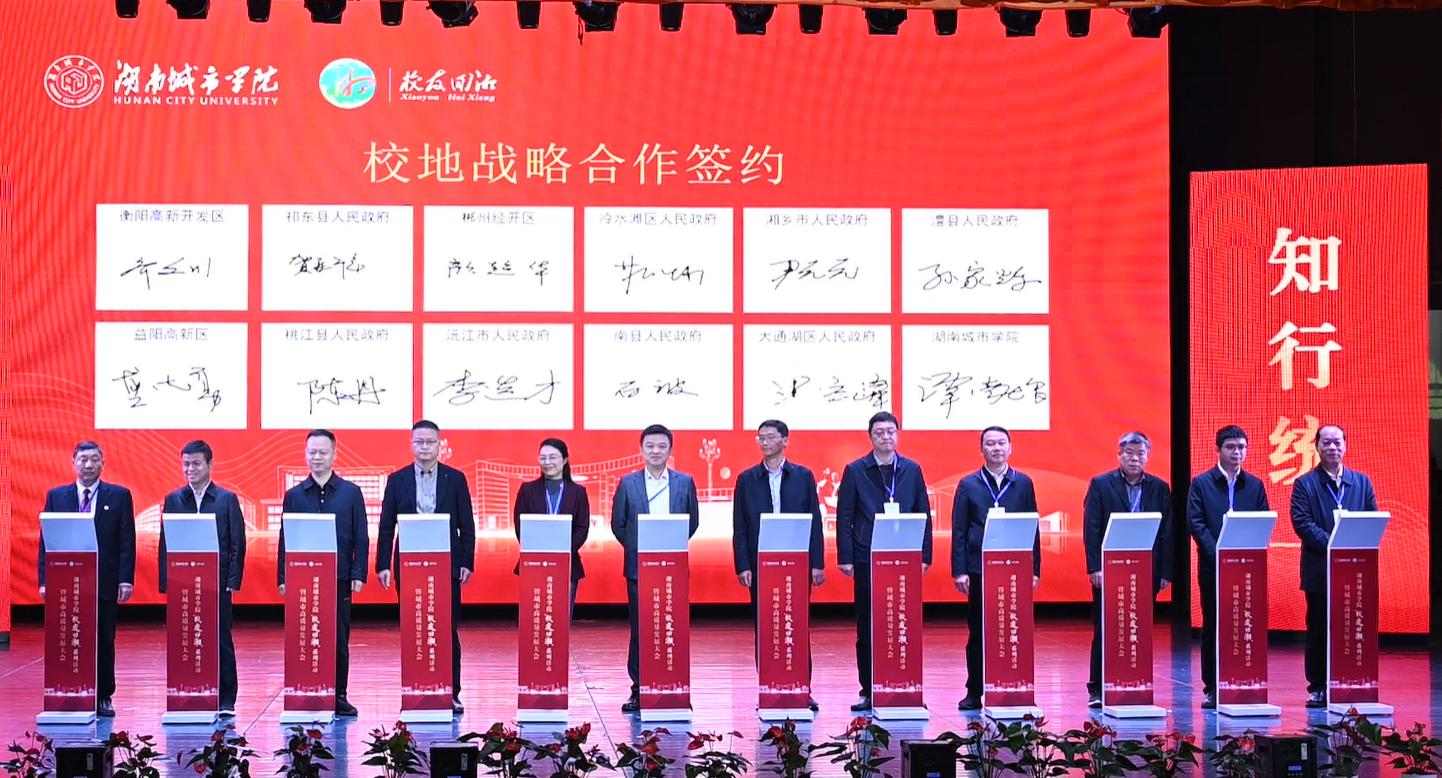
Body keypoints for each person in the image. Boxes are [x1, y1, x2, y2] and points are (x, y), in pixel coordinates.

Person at [376, 420, 476, 715]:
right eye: (419, 442)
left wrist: (466, 561)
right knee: (414, 628)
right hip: (409, 565)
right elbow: (386, 525)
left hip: (447, 564)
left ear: (439, 445)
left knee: (447, 629)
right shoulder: (397, 480)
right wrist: (383, 564)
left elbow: (466, 524)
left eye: (430, 442)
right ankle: (415, 689)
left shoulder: (455, 479)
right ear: (411, 444)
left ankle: (451, 692)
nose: (424, 447)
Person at [836, 411, 933, 712]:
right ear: (870, 437)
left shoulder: (912, 469)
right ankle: (868, 689)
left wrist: (925, 554)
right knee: (868, 625)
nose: (886, 437)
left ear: (898, 435)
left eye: (891, 431)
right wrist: (846, 557)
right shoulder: (855, 470)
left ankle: (905, 686)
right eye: (879, 432)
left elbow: (923, 512)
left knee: (904, 623)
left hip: (905, 557)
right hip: (867, 556)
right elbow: (845, 516)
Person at [731, 419, 825, 712]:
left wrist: (817, 563)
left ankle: (802, 689)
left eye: (770, 437)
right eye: (760, 438)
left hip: (797, 563)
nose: (765, 442)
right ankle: (769, 687)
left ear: (785, 440)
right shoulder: (747, 479)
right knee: (766, 627)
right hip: (761, 564)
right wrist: (742, 564)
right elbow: (740, 526)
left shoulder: (803, 476)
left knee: (798, 626)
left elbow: (814, 521)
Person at [38, 441, 136, 718]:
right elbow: (46, 541)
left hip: (104, 581)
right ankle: (67, 690)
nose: (89, 465)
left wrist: (125, 579)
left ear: (103, 463)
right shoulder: (57, 496)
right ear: (73, 463)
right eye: (83, 460)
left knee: (104, 639)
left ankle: (103, 695)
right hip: (66, 583)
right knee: (67, 637)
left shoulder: (119, 496)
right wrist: (45, 580)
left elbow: (126, 540)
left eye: (94, 459)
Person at [278, 429, 369, 717]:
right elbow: (285, 538)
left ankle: (338, 694)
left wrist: (358, 572)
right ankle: (305, 690)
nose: (317, 457)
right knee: (304, 636)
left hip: (339, 578)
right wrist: (283, 576)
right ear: (305, 454)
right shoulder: (294, 495)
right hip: (302, 580)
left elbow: (361, 536)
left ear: (334, 455)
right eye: (312, 452)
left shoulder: (351, 493)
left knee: (339, 639)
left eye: (323, 452)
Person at [610, 424, 700, 714]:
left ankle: (672, 685)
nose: (656, 451)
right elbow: (618, 524)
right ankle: (639, 689)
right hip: (639, 569)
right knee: (640, 629)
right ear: (641, 449)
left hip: (673, 568)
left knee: (672, 627)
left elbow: (692, 522)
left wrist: (669, 548)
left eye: (662, 446)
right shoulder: (628, 483)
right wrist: (641, 550)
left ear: (670, 450)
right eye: (650, 446)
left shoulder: (685, 482)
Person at [951, 425, 1041, 711]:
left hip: (1014, 570)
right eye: (990, 443)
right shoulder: (968, 484)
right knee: (978, 631)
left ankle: (1014, 686)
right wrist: (960, 570)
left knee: (1014, 630)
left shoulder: (1023, 483)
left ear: (1010, 447)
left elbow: (1033, 526)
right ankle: (974, 691)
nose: (996, 448)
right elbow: (959, 530)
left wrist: (1034, 568)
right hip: (979, 569)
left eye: (1001, 443)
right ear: (982, 449)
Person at [1082, 431, 1172, 708]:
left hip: (1145, 571)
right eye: (1129, 453)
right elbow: (1091, 528)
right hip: (1109, 571)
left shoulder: (1159, 487)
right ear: (1119, 455)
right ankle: (1098, 688)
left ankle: (1136, 683)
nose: (1135, 458)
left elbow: (1167, 532)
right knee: (1105, 628)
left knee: (1139, 628)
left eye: (1140, 453)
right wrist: (1094, 567)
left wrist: (1165, 572)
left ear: (1148, 456)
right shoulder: (1101, 484)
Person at [1289, 424, 1377, 709]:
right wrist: (1335, 545)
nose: (1332, 447)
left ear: (1345, 445)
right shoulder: (1305, 484)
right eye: (1326, 442)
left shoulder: (1361, 482)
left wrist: (1350, 547)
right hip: (1320, 570)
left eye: (1337, 442)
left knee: (1351, 628)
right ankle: (1317, 687)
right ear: (1316, 447)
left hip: (1354, 572)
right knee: (1318, 629)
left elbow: (1371, 518)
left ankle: (1352, 681)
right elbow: (1302, 523)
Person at [158, 440, 247, 718]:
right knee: (186, 637)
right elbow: (165, 543)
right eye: (186, 464)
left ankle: (226, 698)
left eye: (196, 463)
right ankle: (189, 690)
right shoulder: (174, 499)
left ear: (210, 465)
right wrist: (166, 582)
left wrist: (233, 580)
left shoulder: (226, 499)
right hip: (184, 584)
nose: (190, 469)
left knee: (220, 639)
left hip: (216, 583)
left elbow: (238, 542)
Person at [1186, 424, 1269, 710]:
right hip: (1214, 568)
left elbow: (1263, 520)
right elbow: (1196, 523)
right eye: (1231, 447)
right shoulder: (1201, 483)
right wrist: (1219, 554)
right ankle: (1212, 687)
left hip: (1246, 571)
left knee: (1245, 624)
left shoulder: (1255, 485)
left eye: (1241, 447)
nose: (1237, 452)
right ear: (1218, 450)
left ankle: (1245, 681)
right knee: (1214, 626)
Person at [512, 437, 591, 617]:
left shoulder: (578, 492)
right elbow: (520, 525)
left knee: (561, 617)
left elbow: (582, 528)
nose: (547, 462)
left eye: (553, 457)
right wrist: (539, 551)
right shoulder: (527, 490)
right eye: (543, 458)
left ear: (565, 459)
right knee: (535, 617)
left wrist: (562, 552)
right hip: (534, 562)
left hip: (568, 563)